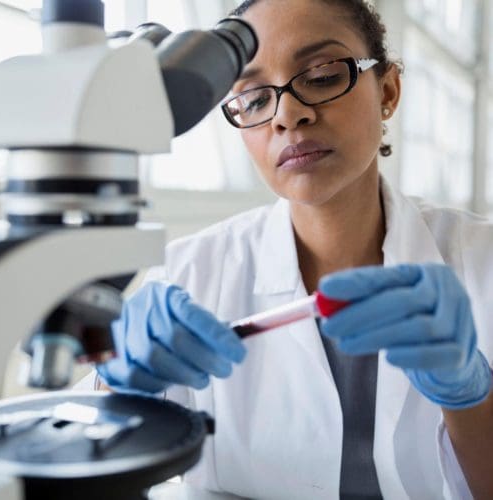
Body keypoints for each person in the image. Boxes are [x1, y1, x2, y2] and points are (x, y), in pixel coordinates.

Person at [88, 0, 493, 498]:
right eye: (254, 98)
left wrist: (471, 395)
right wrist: (117, 391)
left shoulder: (482, 259)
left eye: (322, 75)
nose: (288, 114)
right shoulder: (186, 274)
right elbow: (97, 470)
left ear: (387, 91)